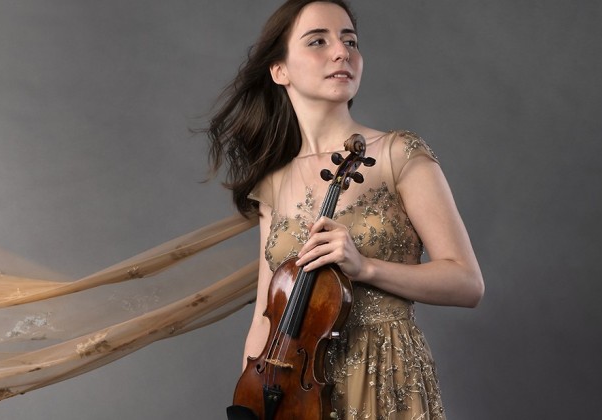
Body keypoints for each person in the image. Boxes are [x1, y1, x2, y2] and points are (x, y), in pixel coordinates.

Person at [207, 0, 485, 418]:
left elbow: (467, 284)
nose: (341, 52)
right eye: (318, 41)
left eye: (349, 41)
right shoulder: (274, 182)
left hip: (385, 374)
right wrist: (251, 400)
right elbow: (266, 319)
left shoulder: (398, 154)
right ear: (279, 70)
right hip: (293, 392)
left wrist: (366, 268)